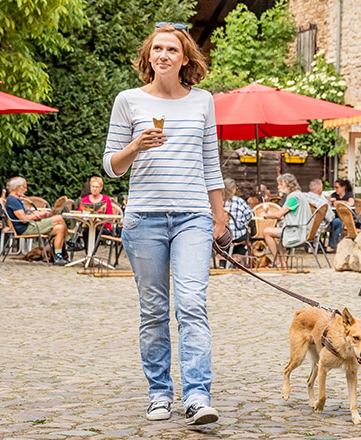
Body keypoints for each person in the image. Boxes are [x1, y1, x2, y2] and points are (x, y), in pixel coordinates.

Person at [102, 22, 225, 425]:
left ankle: (196, 395)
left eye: (172, 49)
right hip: (144, 220)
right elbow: (112, 167)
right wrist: (135, 145)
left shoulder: (203, 101)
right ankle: (159, 393)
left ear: (184, 57)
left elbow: (211, 163)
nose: (164, 55)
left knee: (191, 304)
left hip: (193, 217)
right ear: (148, 56)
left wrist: (218, 213)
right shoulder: (128, 101)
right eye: (158, 49)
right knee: (154, 310)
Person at [5, 177, 69, 265]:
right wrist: (36, 216)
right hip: (26, 228)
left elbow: (25, 215)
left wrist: (37, 214)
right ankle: (70, 242)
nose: (26, 190)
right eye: (24, 187)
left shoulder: (16, 199)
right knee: (59, 218)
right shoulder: (13, 201)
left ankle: (58, 258)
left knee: (60, 228)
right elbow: (23, 219)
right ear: (18, 187)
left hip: (30, 225)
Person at [262, 174, 311, 267]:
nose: (278, 187)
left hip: (296, 231)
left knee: (266, 231)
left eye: (281, 184)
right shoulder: (299, 194)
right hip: (302, 228)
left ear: (288, 185)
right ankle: (282, 262)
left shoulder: (293, 197)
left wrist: (265, 215)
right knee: (275, 237)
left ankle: (277, 262)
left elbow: (279, 214)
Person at [221, 178, 253, 266]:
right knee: (245, 236)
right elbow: (250, 216)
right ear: (233, 189)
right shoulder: (238, 201)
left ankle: (222, 263)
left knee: (223, 241)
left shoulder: (218, 201)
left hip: (220, 235)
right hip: (236, 234)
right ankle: (236, 261)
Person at [305, 178, 342, 253]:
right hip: (318, 226)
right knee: (337, 222)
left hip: (305, 224)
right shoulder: (322, 201)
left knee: (312, 224)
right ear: (319, 189)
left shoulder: (303, 197)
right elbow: (330, 218)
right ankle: (330, 246)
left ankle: (310, 247)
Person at [79, 176, 114, 253]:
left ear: (101, 188)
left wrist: (101, 219)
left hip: (103, 227)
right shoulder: (85, 200)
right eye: (93, 186)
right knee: (86, 232)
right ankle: (89, 255)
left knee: (96, 231)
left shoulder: (106, 199)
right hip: (88, 226)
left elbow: (110, 216)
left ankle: (90, 255)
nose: (94, 189)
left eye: (97, 187)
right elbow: (80, 213)